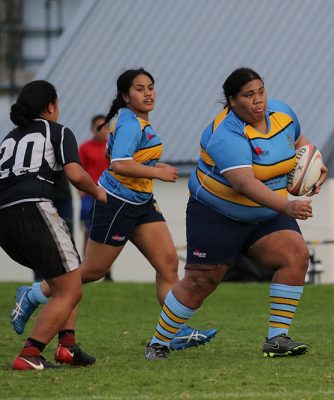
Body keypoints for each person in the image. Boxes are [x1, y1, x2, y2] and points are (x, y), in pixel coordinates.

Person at [10, 68, 216, 351]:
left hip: (142, 203)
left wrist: (150, 172)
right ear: (125, 96)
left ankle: (174, 330)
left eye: (151, 87)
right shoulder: (130, 123)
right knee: (93, 271)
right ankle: (33, 294)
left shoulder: (140, 123)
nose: (148, 93)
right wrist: (157, 173)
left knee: (168, 264)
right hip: (117, 203)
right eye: (139, 89)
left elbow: (127, 160)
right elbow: (118, 163)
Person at [144, 67, 328, 360]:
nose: (258, 101)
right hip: (217, 214)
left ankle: (277, 339)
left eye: (261, 92)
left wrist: (315, 166)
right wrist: (287, 206)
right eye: (248, 95)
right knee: (200, 283)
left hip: (265, 214)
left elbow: (299, 143)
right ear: (232, 100)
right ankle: (158, 342)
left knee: (295, 255)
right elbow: (246, 184)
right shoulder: (225, 135)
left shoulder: (282, 114)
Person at [1, 80, 107, 370]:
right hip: (35, 210)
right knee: (71, 290)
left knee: (68, 278)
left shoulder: (9, 138)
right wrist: (98, 191)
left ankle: (67, 348)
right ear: (51, 106)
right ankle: (29, 354)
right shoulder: (57, 131)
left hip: (5, 217)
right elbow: (74, 173)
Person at [79, 114, 113, 281]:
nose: (103, 130)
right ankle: (85, 267)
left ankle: (108, 273)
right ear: (93, 129)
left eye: (105, 127)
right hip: (90, 195)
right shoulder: (85, 148)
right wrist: (81, 193)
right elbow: (79, 171)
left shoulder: (112, 148)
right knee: (88, 231)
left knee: (109, 232)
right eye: (99, 127)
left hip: (108, 195)